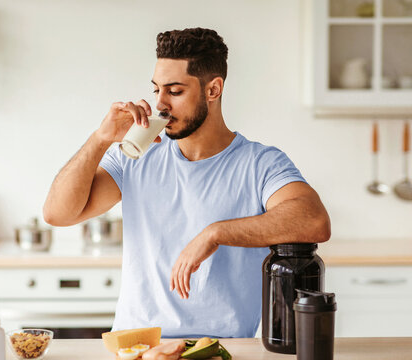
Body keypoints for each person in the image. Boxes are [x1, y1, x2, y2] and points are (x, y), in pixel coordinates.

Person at [43, 27, 330, 338]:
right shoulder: (136, 155)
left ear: (213, 89)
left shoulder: (260, 163)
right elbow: (58, 214)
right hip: (137, 347)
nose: (161, 104)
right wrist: (99, 140)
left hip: (219, 349)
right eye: (156, 90)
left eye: (175, 91)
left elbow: (314, 220)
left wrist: (215, 233)